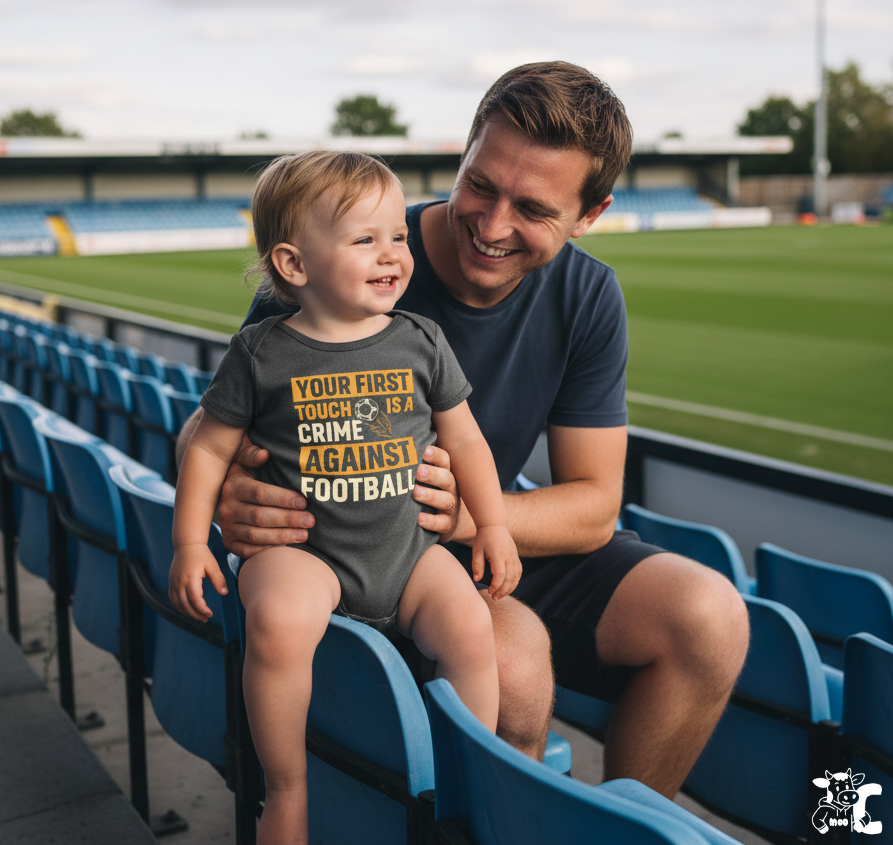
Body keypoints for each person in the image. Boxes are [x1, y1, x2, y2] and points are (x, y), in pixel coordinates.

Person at [180, 60, 749, 800]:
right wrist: (230, 488)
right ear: (464, 153)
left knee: (709, 616)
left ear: (590, 214)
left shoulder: (587, 294)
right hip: (353, 546)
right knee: (513, 667)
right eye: (480, 185)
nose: (491, 224)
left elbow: (594, 504)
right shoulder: (349, 248)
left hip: (483, 531)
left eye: (533, 208)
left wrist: (471, 514)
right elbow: (207, 429)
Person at [170, 150, 521, 845]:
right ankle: (286, 790)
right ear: (294, 264)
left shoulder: (422, 340)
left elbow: (467, 441)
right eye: (365, 239)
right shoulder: (259, 352)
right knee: (276, 620)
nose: (392, 253)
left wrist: (493, 525)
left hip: (409, 554)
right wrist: (188, 541)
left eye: (398, 235)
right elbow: (207, 449)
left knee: (472, 629)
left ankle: (467, 777)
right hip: (306, 552)